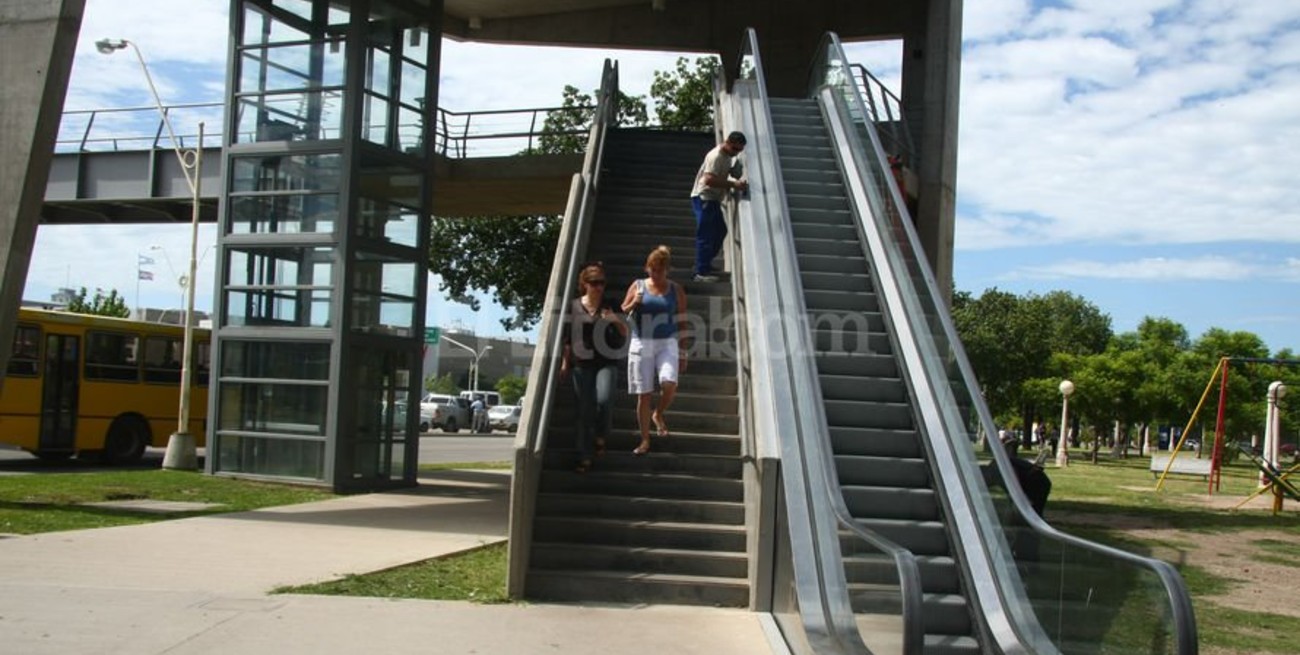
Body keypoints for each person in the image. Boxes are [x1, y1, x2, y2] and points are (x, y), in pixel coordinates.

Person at [560, 261, 628, 473]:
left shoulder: (611, 305)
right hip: (582, 363)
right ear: (585, 284)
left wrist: (614, 319)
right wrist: (565, 364)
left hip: (607, 360)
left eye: (602, 283)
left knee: (604, 401)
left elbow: (625, 331)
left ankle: (600, 435)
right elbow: (568, 338)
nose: (599, 287)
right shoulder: (573, 306)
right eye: (595, 283)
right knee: (583, 410)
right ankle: (583, 456)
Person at [621, 245, 687, 455]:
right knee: (644, 394)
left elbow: (682, 321)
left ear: (667, 270)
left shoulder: (675, 289)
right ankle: (645, 440)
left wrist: (684, 351)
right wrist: (634, 302)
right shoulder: (638, 285)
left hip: (667, 341)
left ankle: (658, 413)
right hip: (642, 341)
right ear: (647, 268)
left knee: (669, 383)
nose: (655, 274)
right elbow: (623, 308)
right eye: (652, 270)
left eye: (659, 270)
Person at [689, 131, 748, 283]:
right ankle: (700, 272)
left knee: (721, 231)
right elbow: (708, 180)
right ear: (727, 142)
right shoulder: (716, 156)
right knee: (706, 235)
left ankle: (704, 263)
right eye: (735, 149)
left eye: (739, 151)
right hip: (704, 197)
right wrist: (733, 184)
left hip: (713, 199)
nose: (736, 153)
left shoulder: (728, 156)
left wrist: (734, 171)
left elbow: (722, 173)